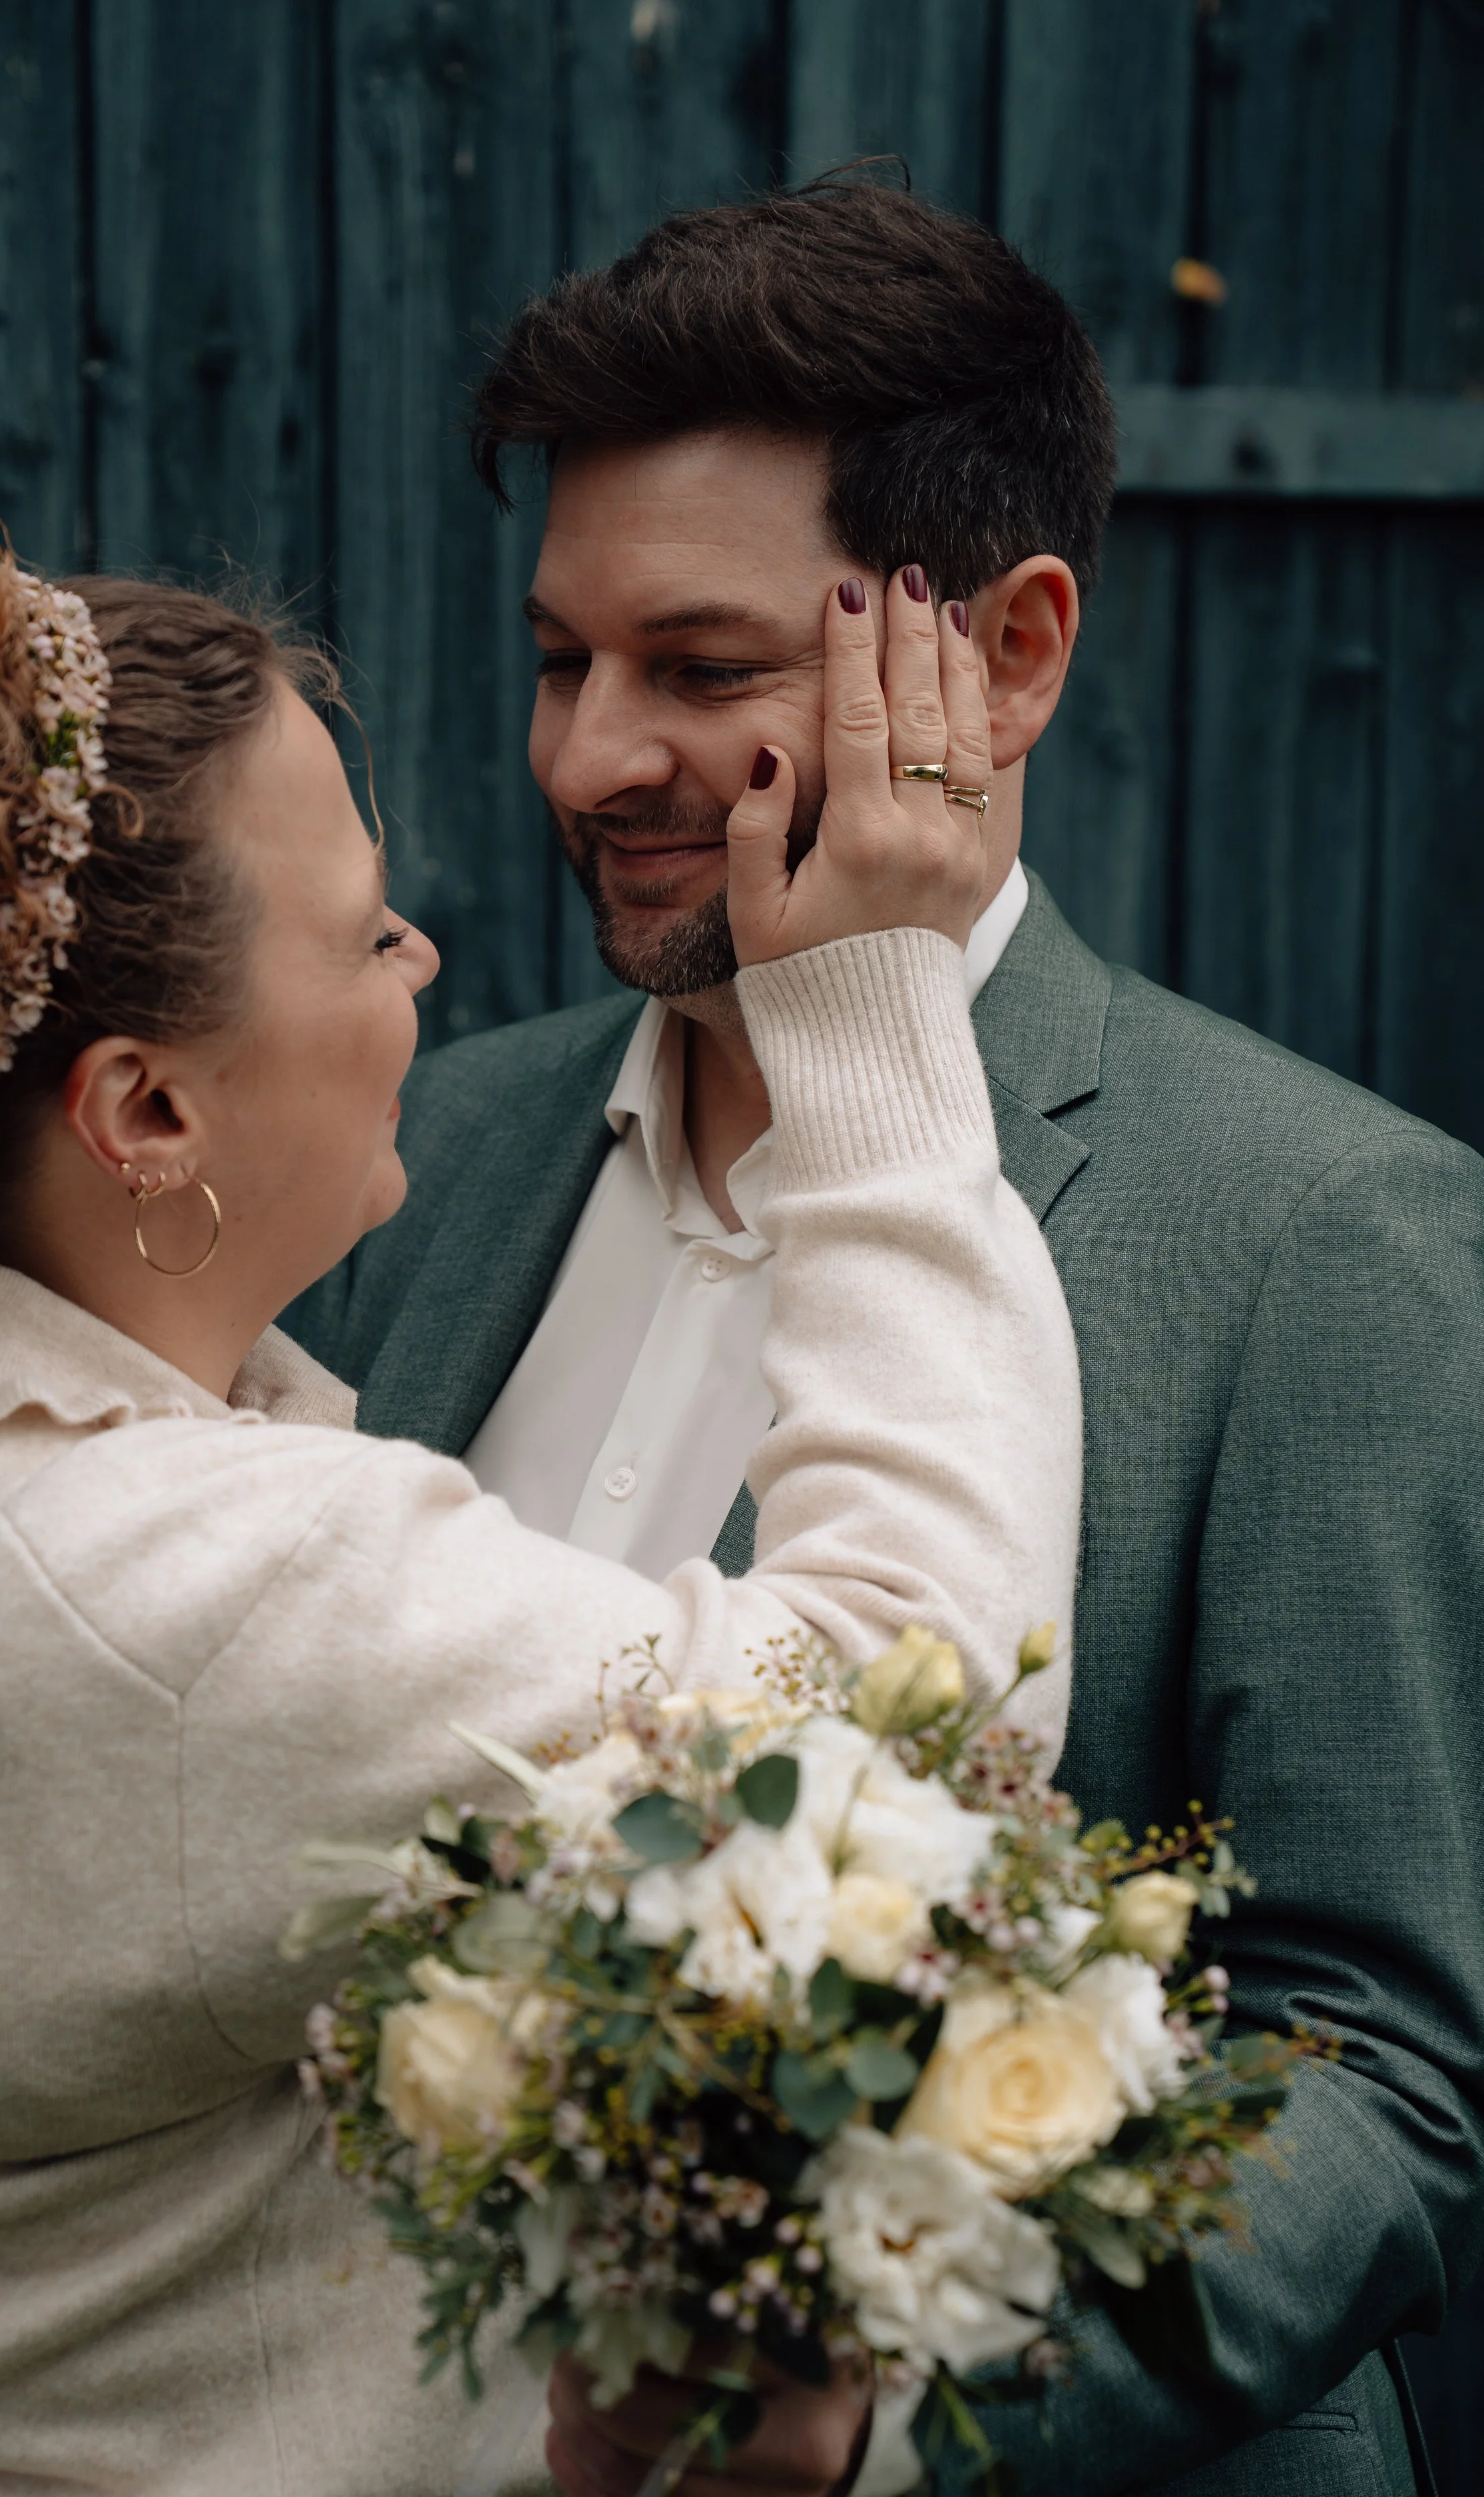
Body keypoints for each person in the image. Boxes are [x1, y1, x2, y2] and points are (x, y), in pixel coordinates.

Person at [284, 180, 1484, 2496]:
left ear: (1008, 653)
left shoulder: (1334, 1233)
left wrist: (907, 2408)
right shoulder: (434, 1141)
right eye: (561, 659)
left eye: (703, 673)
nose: (584, 757)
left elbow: (1385, 2064)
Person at [0, 521, 1079, 2496]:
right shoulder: (191, 1580)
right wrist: (879, 1038)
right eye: (366, 931)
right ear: (145, 1111)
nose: (428, 966)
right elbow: (904, 1723)